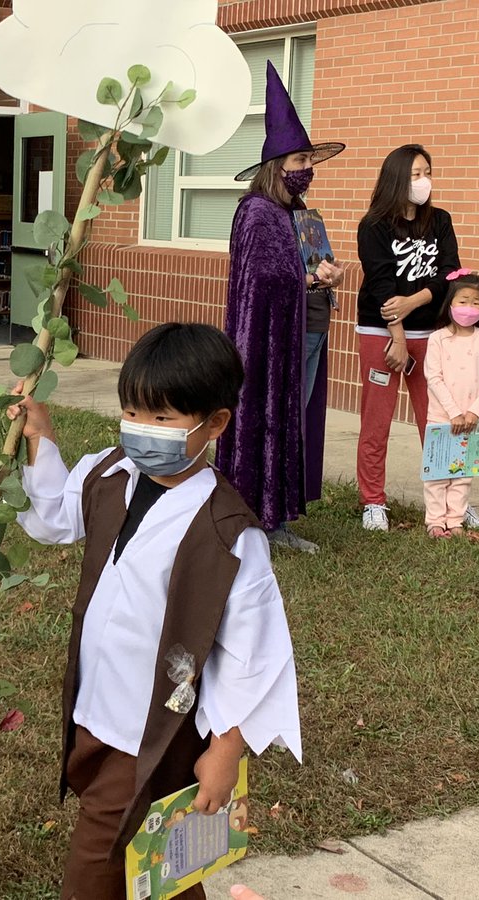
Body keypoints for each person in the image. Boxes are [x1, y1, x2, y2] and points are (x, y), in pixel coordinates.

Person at [8, 323, 301, 900]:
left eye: (163, 419)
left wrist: (224, 751)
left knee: (99, 860)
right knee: (161, 864)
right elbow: (51, 517)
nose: (142, 431)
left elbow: (253, 654)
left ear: (213, 424)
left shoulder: (226, 534)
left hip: (156, 731)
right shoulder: (108, 475)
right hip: (97, 711)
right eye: (133, 412)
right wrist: (40, 436)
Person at [215, 60, 345, 554]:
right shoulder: (257, 212)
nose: (306, 171)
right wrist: (309, 278)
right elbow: (264, 276)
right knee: (267, 419)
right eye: (297, 163)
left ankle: (279, 517)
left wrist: (326, 273)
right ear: (276, 168)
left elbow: (306, 264)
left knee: (293, 421)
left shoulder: (300, 215)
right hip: (269, 339)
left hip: (308, 329)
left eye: (309, 162)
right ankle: (255, 517)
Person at [355, 144, 479, 533]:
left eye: (427, 172)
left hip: (432, 335)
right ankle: (372, 502)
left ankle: (455, 502)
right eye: (416, 174)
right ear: (397, 178)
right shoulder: (374, 226)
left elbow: (450, 273)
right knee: (376, 420)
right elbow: (381, 283)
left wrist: (415, 300)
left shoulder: (440, 221)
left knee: (441, 420)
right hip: (381, 334)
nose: (424, 181)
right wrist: (396, 337)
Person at [422, 270, 479, 537]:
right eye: (463, 300)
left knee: (463, 473)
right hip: (442, 418)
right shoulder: (438, 339)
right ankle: (435, 520)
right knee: (438, 472)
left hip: (471, 422)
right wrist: (454, 412)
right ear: (450, 303)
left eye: (476, 302)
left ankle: (454, 520)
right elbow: (434, 377)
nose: (469, 307)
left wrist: (473, 412)